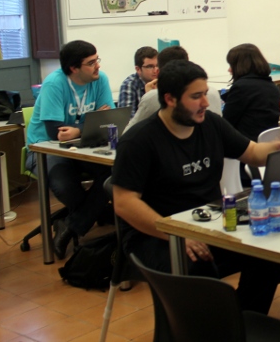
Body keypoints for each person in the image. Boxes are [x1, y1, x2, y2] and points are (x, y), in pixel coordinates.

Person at [112, 60, 280, 314]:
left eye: (205, 94)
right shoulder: (139, 141)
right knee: (199, 268)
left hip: (206, 224)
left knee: (268, 253)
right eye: (196, 96)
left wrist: (277, 149)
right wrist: (176, 235)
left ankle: (242, 320)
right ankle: (213, 324)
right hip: (155, 235)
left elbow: (253, 152)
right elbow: (124, 203)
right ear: (170, 99)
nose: (205, 103)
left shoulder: (210, 124)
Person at [25, 40, 116, 259]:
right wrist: (89, 124)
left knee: (114, 174)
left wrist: (77, 130)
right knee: (65, 186)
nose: (98, 66)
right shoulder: (55, 83)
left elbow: (108, 120)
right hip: (45, 149)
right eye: (91, 63)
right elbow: (54, 132)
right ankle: (97, 215)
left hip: (83, 146)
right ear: (74, 68)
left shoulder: (100, 80)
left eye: (97, 60)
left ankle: (70, 226)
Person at [124, 45, 223, 133]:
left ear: (159, 71)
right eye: (150, 67)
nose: (206, 103)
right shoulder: (213, 92)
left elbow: (127, 134)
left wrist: (150, 95)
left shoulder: (153, 96)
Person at [222, 43, 280, 186]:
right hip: (267, 155)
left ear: (240, 66)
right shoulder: (272, 87)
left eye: (231, 65)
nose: (229, 70)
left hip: (245, 156)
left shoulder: (240, 88)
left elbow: (226, 125)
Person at [118, 46, 159, 117]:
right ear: (138, 69)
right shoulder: (129, 85)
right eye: (150, 66)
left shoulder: (163, 81)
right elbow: (128, 120)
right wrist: (149, 97)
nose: (156, 70)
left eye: (158, 65)